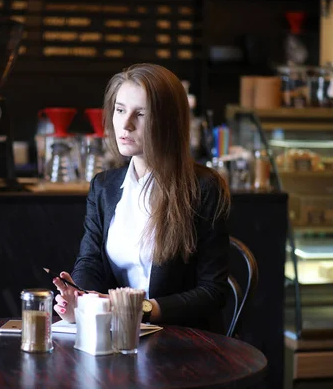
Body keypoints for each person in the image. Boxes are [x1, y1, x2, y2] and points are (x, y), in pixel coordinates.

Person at [52, 63, 231, 332]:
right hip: (119, 334)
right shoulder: (104, 186)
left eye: (141, 114)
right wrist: (80, 297)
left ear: (169, 121)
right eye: (120, 110)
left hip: (183, 340)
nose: (126, 124)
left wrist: (140, 308)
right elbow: (90, 262)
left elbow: (213, 292)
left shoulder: (203, 187)